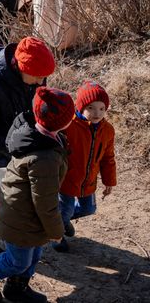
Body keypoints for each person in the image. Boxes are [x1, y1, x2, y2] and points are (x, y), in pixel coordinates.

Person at [0, 87, 74, 303]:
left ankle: (17, 287)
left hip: (28, 216)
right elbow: (45, 202)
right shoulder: (43, 158)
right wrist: (56, 231)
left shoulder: (40, 136)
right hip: (21, 218)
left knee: (34, 255)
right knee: (18, 261)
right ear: (62, 122)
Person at [0, 36, 56, 256]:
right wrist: (14, 146)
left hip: (16, 148)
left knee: (11, 195)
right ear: (22, 67)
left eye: (44, 77)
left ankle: (6, 233)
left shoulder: (33, 77)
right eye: (37, 77)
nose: (41, 81)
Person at [53, 81, 117, 253]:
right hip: (66, 181)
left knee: (89, 208)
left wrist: (109, 181)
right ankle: (56, 237)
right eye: (91, 108)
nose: (97, 113)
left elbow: (108, 158)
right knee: (65, 211)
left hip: (88, 182)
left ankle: (59, 222)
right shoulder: (68, 126)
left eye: (102, 109)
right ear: (80, 107)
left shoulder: (108, 130)